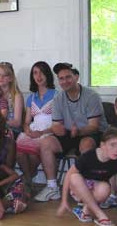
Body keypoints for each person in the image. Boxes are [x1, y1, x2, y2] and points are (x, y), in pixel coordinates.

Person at [35, 63, 107, 203]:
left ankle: (87, 187)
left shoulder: (91, 96)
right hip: (69, 132)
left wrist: (78, 131)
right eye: (61, 78)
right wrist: (57, 129)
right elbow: (56, 125)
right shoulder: (58, 99)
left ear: (76, 77)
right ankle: (52, 187)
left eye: (68, 77)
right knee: (46, 142)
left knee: (86, 144)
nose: (64, 81)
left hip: (89, 132)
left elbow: (94, 126)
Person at [56, 128, 117, 226]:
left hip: (97, 190)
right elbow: (68, 176)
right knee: (74, 176)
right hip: (78, 190)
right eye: (112, 145)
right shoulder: (88, 156)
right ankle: (100, 215)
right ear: (102, 145)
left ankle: (84, 212)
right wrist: (64, 201)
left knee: (105, 188)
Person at [15, 61, 56, 186]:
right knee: (20, 151)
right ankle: (28, 178)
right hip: (33, 129)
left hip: (48, 131)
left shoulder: (57, 95)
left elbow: (59, 123)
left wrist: (41, 133)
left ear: (48, 74)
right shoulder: (31, 98)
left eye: (42, 72)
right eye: (35, 73)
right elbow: (27, 121)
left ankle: (27, 179)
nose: (39, 76)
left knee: (33, 154)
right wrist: (27, 130)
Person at [0, 61, 24, 136]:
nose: (1, 78)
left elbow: (17, 122)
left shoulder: (16, 95)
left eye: (5, 75)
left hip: (13, 130)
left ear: (11, 78)